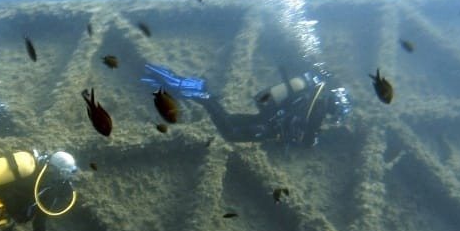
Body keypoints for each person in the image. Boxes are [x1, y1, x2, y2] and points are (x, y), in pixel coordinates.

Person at [140, 62, 351, 148]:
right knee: (230, 134)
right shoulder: (319, 110)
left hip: (268, 116)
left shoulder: (315, 99)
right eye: (337, 116)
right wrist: (314, 139)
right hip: (269, 125)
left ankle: (192, 87)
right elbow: (307, 140)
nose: (333, 121)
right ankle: (204, 95)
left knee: (230, 120)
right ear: (335, 108)